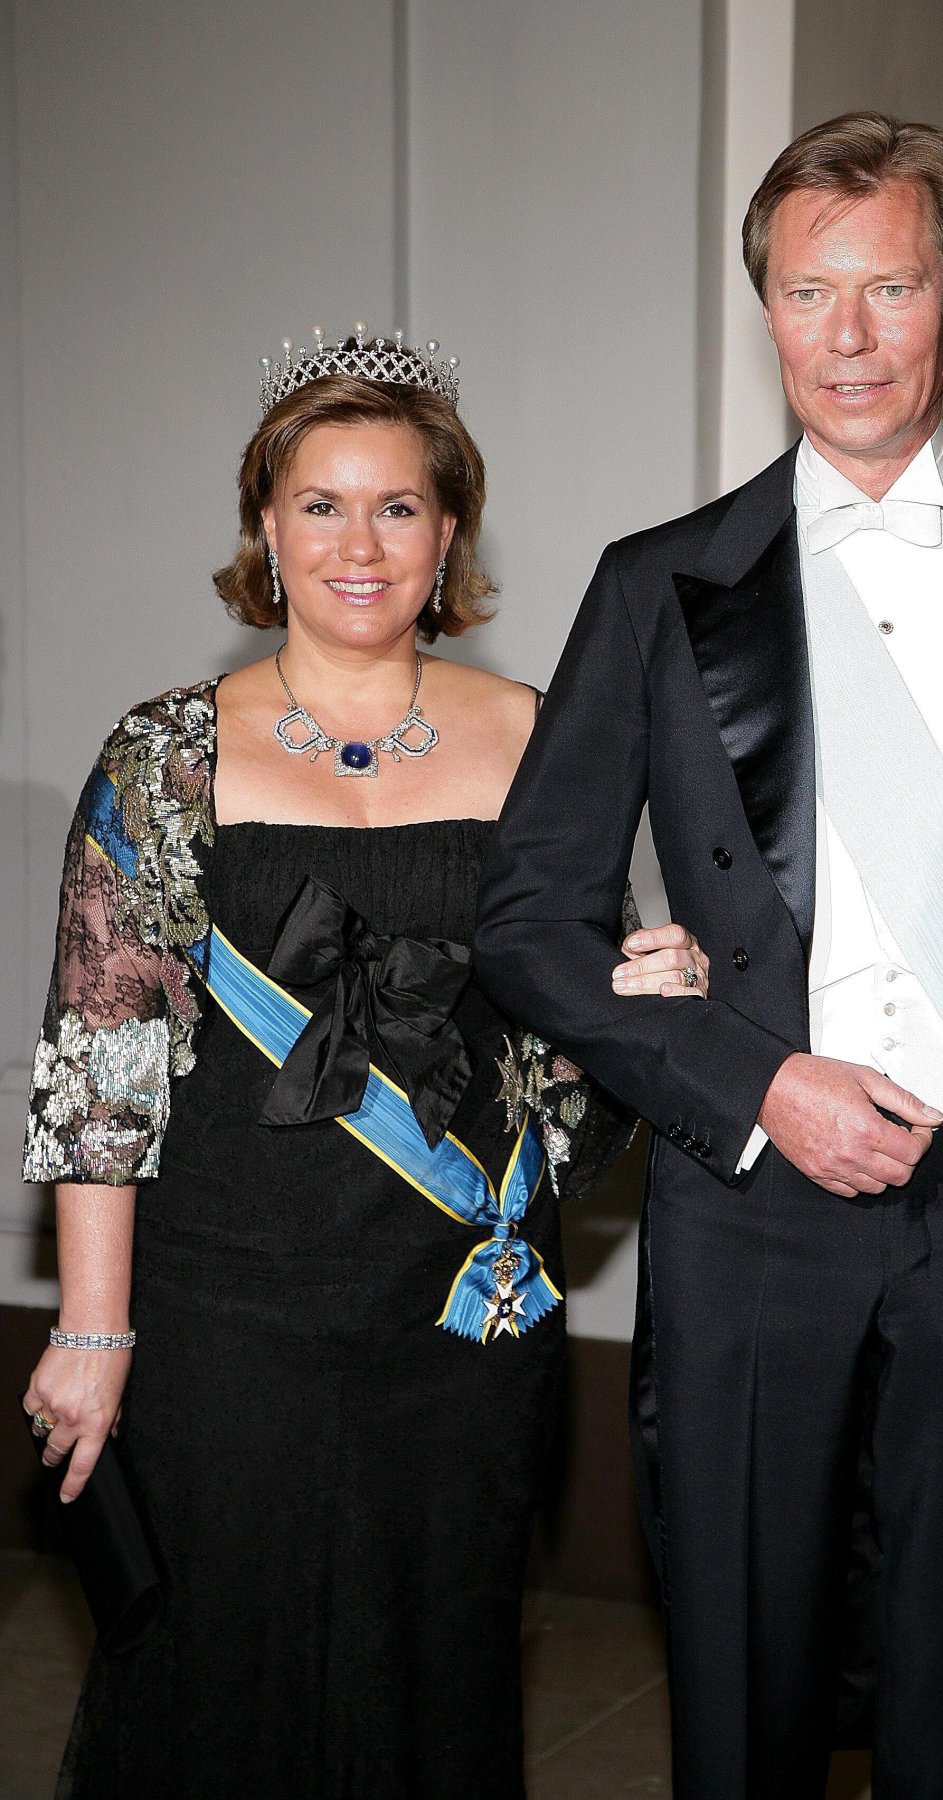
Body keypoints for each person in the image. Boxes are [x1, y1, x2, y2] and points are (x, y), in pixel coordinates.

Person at [474, 112, 943, 1799]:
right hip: (748, 1213)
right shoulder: (658, 585)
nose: (850, 337)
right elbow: (529, 913)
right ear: (770, 312)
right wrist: (758, 1083)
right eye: (811, 294)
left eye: (889, 287)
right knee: (739, 1695)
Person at [21, 331, 711, 1799]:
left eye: (397, 505)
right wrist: (92, 1331)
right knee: (217, 1682)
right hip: (221, 1314)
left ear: (448, 528)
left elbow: (573, 1065)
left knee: (432, 1674)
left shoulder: (538, 742)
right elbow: (100, 1061)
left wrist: (652, 1005)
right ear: (265, 530)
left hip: (456, 1320)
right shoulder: (164, 755)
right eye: (319, 504)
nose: (359, 541)